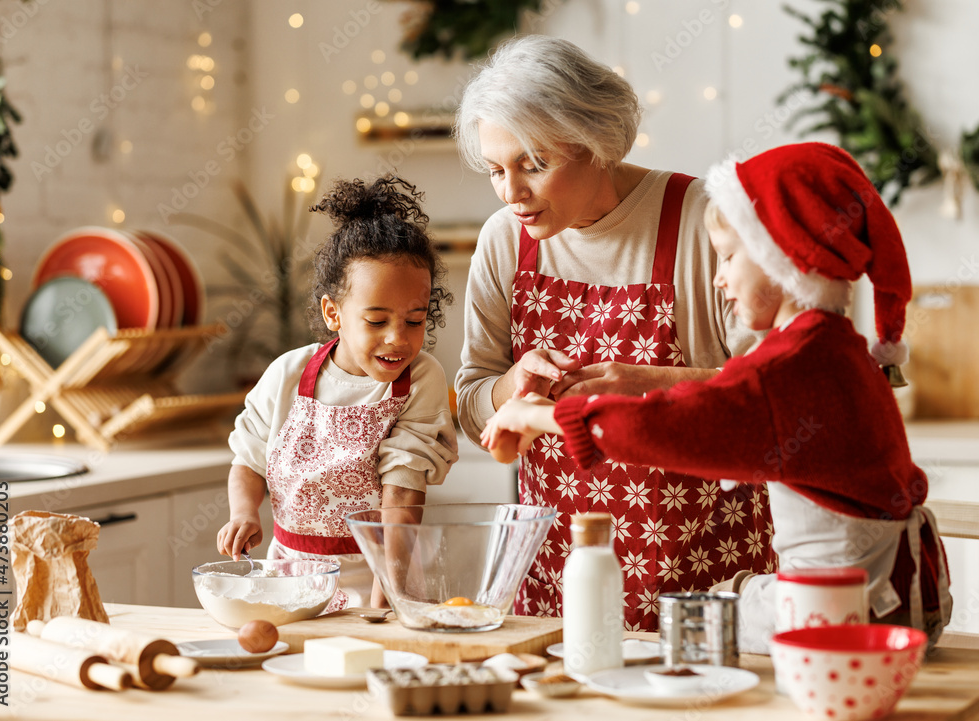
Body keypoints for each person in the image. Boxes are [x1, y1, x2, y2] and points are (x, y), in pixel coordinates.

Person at [482, 142, 953, 653]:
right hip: (894, 594)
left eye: (729, 256)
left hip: (847, 612)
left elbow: (666, 425)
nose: (719, 277)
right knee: (715, 607)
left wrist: (544, 415)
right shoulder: (839, 349)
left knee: (674, 635)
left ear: (783, 259)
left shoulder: (789, 367)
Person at [453, 34, 775, 630]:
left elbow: (769, 397)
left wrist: (648, 384)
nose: (512, 192)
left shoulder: (702, 218)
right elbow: (472, 404)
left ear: (596, 142)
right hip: (556, 572)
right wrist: (509, 387)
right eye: (497, 170)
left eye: (534, 164)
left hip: (702, 566)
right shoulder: (503, 239)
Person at [217, 174, 459, 609]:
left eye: (414, 320)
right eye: (377, 320)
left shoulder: (420, 380)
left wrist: (389, 596)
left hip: (378, 577)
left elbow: (401, 500)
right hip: (287, 581)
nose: (397, 339)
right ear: (334, 313)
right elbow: (249, 460)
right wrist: (244, 513)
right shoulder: (287, 373)